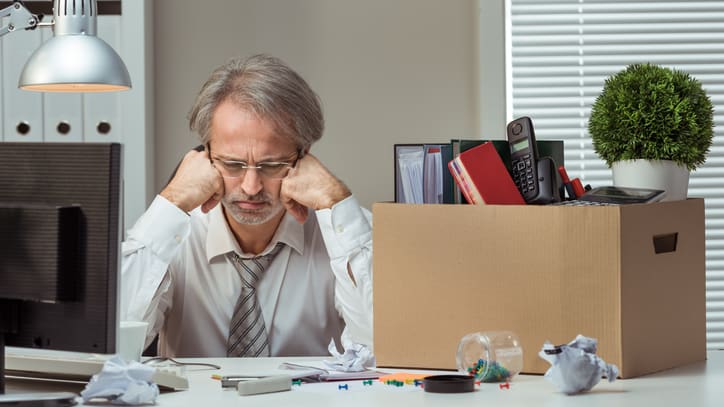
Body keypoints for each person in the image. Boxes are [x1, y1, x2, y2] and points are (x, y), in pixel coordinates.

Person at [120, 54, 373, 357]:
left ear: (303, 156)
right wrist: (172, 201)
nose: (251, 187)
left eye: (271, 165)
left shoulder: (346, 236)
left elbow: (386, 348)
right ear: (205, 155)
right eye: (233, 164)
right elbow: (110, 348)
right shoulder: (171, 235)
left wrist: (337, 202)